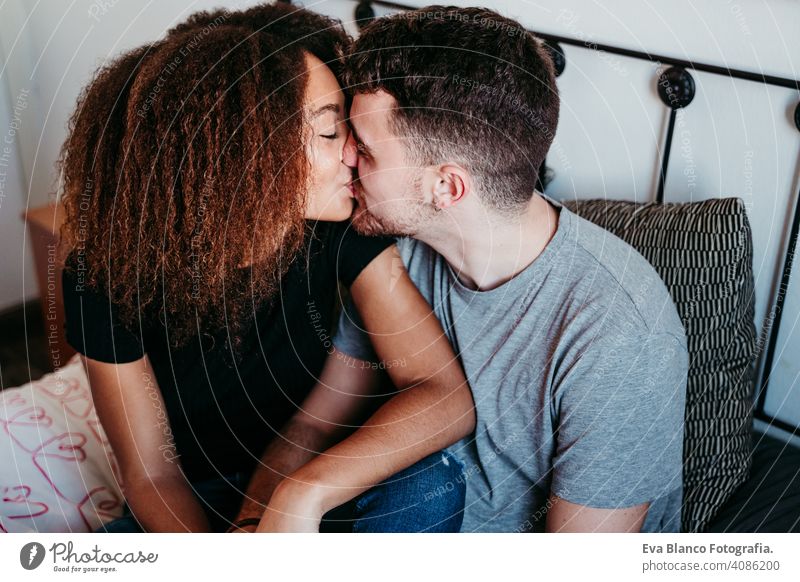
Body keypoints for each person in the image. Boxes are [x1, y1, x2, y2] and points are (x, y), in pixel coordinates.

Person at [58, 3, 474, 534]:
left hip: (328, 472)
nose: (353, 151)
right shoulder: (104, 274)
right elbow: (152, 475)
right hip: (199, 498)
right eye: (329, 133)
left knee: (426, 486)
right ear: (245, 156)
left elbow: (442, 395)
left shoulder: (342, 227)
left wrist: (299, 495)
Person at [328, 5, 689, 532]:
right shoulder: (396, 253)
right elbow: (322, 420)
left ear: (447, 187)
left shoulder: (620, 333)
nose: (346, 160)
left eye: (366, 151)